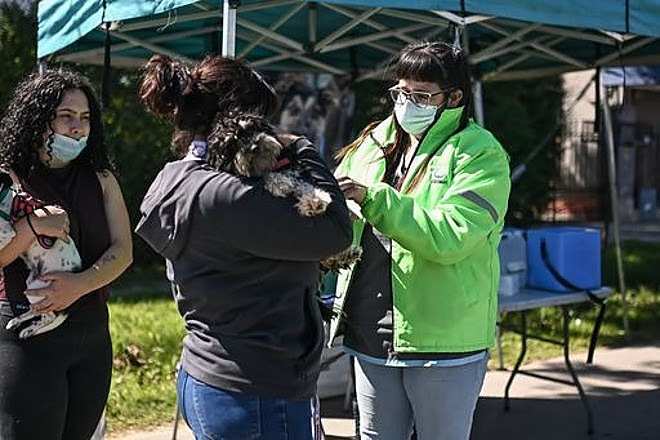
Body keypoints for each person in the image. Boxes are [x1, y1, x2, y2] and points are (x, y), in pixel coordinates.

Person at [135, 54, 352, 439]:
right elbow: (336, 232)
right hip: (257, 387)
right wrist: (301, 147)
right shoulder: (231, 197)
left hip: (208, 371)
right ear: (241, 121)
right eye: (263, 119)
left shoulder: (175, 178)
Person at [329, 41, 512, 440]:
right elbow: (337, 210)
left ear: (455, 97)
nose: (406, 102)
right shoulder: (375, 140)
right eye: (400, 91)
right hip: (370, 331)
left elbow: (450, 236)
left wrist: (371, 197)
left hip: (443, 340)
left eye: (421, 95)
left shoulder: (481, 154)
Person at [0, 68, 133, 439]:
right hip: (26, 335)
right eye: (66, 116)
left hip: (91, 336)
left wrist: (79, 285)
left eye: (86, 118)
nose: (78, 127)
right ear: (38, 119)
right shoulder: (7, 179)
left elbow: (123, 251)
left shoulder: (102, 179)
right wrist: (33, 227)